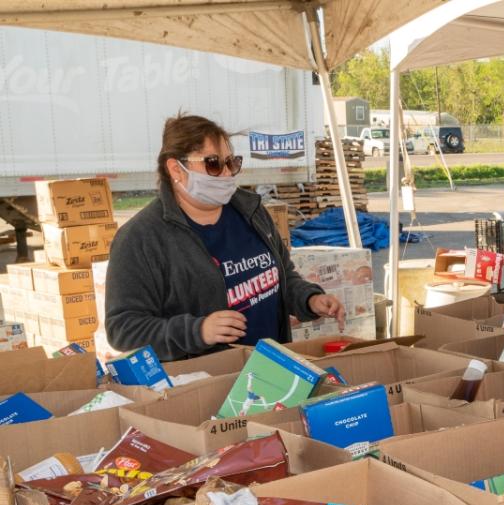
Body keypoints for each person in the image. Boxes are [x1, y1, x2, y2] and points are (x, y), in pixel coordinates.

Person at [106, 114, 345, 361]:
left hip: (274, 371)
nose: (226, 174)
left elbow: (282, 276)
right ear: (176, 169)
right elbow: (123, 329)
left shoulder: (251, 212)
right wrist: (198, 331)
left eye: (231, 163)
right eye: (213, 164)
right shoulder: (140, 239)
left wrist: (310, 299)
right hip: (205, 386)